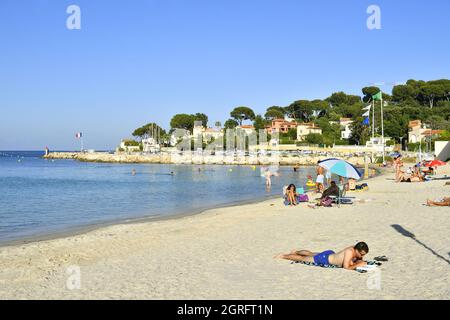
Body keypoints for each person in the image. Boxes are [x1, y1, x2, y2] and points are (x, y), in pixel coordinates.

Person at [275, 242, 369, 270]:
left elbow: (353, 260)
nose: (361, 256)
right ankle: (283, 256)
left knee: (310, 253)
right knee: (303, 258)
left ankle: (296, 251)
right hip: (325, 259)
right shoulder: (349, 252)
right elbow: (346, 267)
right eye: (361, 254)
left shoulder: (354, 248)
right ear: (357, 250)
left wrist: (358, 261)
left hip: (330, 254)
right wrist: (357, 265)